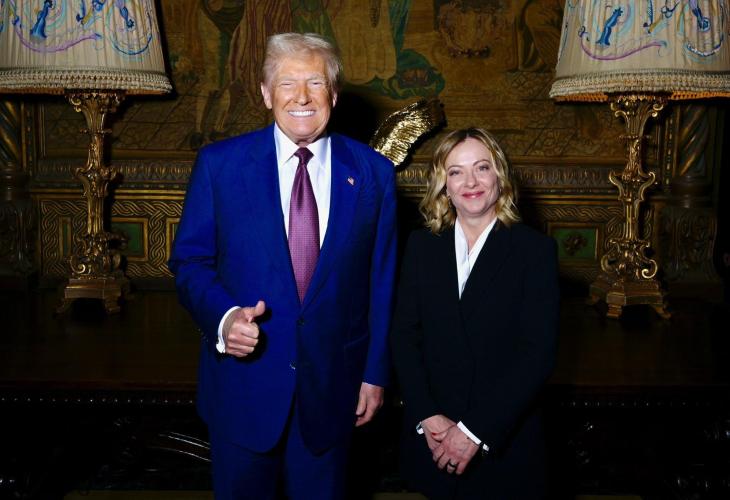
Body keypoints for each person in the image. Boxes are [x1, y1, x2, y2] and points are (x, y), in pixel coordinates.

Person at [168, 32, 397, 500]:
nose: (302, 97)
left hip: (333, 390)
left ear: (334, 94)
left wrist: (374, 373)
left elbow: (382, 281)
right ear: (266, 93)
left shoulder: (374, 173)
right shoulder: (219, 165)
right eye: (287, 83)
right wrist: (224, 318)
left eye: (315, 82)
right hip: (243, 391)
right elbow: (189, 261)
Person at [390, 127, 559, 499]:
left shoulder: (535, 251)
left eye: (482, 168)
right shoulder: (421, 246)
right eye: (456, 172)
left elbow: (537, 355)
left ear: (500, 176)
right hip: (434, 435)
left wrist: (473, 432)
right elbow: (403, 337)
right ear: (444, 185)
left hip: (503, 442)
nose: (470, 182)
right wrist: (427, 415)